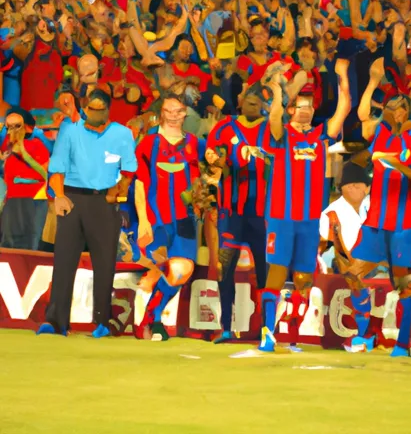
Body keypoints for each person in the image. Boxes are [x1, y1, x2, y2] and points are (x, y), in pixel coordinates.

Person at [259, 58, 351, 352]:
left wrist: (342, 78)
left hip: (309, 219)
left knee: (303, 277)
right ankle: (267, 333)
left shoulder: (319, 135)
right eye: (301, 105)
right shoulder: (282, 134)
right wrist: (276, 93)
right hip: (281, 217)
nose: (307, 109)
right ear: (291, 110)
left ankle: (291, 334)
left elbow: (343, 111)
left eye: (310, 106)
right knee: (276, 270)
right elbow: (274, 120)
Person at [37, 90, 137, 338]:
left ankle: (102, 321)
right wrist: (59, 196)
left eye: (99, 110)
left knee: (105, 264)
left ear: (108, 110)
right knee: (63, 261)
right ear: (84, 108)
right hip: (71, 198)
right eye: (90, 109)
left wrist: (119, 195)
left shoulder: (122, 134)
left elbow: (129, 171)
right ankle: (56, 321)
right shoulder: (70, 130)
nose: (94, 114)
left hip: (104, 200)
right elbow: (57, 164)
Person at [135, 91, 205, 341]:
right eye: (169, 111)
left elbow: (208, 173)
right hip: (156, 220)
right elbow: (140, 184)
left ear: (186, 113)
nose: (174, 117)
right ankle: (151, 321)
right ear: (160, 113)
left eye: (179, 111)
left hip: (186, 219)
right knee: (161, 267)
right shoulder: (148, 143)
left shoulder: (196, 144)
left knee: (182, 271)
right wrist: (143, 219)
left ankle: (149, 316)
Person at [206, 87, 270, 343]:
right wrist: (217, 160)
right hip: (231, 211)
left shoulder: (273, 129)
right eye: (249, 102)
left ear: (264, 106)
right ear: (241, 101)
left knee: (265, 272)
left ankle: (267, 328)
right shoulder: (224, 127)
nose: (252, 108)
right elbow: (210, 155)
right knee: (225, 268)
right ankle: (225, 327)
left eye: (258, 104)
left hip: (263, 213)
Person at [318, 161, 373, 349]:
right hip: (346, 266)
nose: (355, 189)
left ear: (367, 188)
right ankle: (363, 333)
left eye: (359, 185)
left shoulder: (375, 207)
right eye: (350, 185)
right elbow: (322, 246)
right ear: (342, 189)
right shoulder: (332, 212)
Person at [0, 107, 50, 250]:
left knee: (31, 240)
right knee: (9, 241)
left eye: (17, 126)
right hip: (11, 199)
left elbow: (45, 173)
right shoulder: (7, 147)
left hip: (33, 199)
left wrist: (23, 152)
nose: (12, 130)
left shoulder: (36, 145)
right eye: (9, 126)